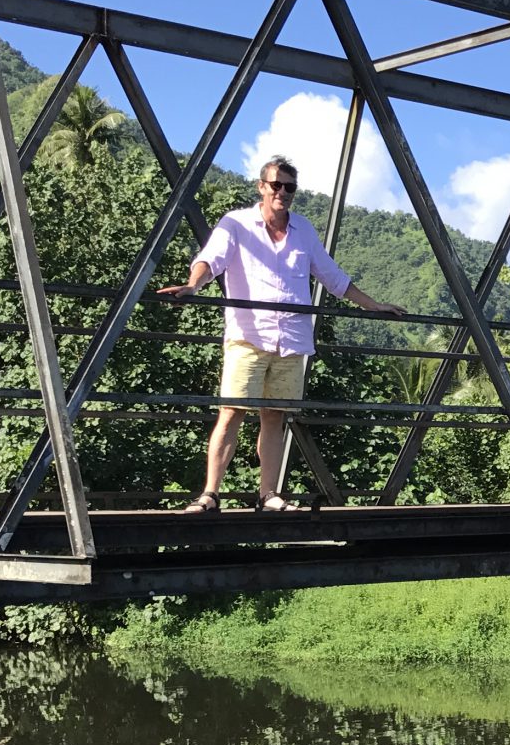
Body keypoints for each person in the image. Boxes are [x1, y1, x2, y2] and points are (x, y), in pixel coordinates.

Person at [159, 157, 405, 512]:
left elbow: (332, 276)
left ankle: (269, 494)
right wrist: (193, 286)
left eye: (290, 187)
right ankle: (210, 493)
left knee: (275, 416)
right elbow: (210, 259)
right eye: (276, 185)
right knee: (231, 412)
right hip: (248, 336)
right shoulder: (237, 223)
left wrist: (373, 305)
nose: (283, 193)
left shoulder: (303, 230)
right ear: (261, 187)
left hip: (290, 340)